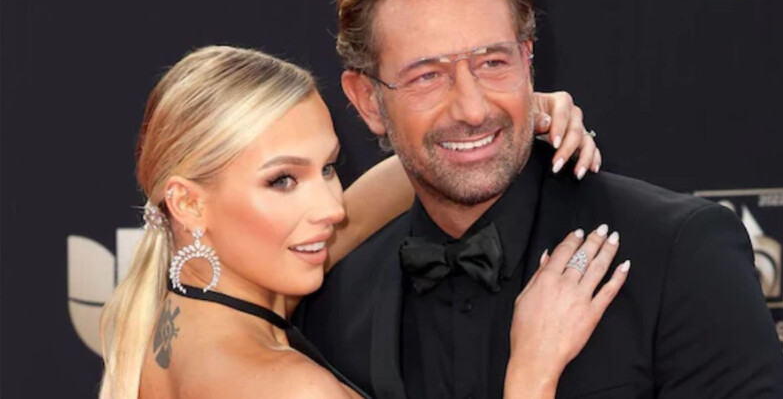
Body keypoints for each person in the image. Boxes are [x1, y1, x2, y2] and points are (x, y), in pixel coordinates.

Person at [294, 0, 783, 398]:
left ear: (527, 61)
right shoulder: (334, 304)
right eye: (427, 76)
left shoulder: (677, 256)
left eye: (493, 62)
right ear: (367, 100)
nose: (472, 108)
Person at [97, 45, 625, 399]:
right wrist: (532, 369)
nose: (331, 207)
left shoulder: (162, 320)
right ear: (188, 203)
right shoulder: (292, 389)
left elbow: (365, 207)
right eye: (283, 180)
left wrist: (499, 121)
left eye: (327, 168)